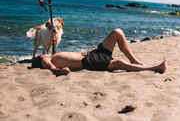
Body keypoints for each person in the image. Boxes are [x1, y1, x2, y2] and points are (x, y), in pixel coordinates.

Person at [32, 28, 167, 76]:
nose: (43, 54)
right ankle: (155, 68)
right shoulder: (45, 60)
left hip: (91, 54)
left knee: (117, 32)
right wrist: (60, 71)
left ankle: (134, 59)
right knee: (120, 63)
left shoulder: (54, 55)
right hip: (89, 62)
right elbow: (52, 68)